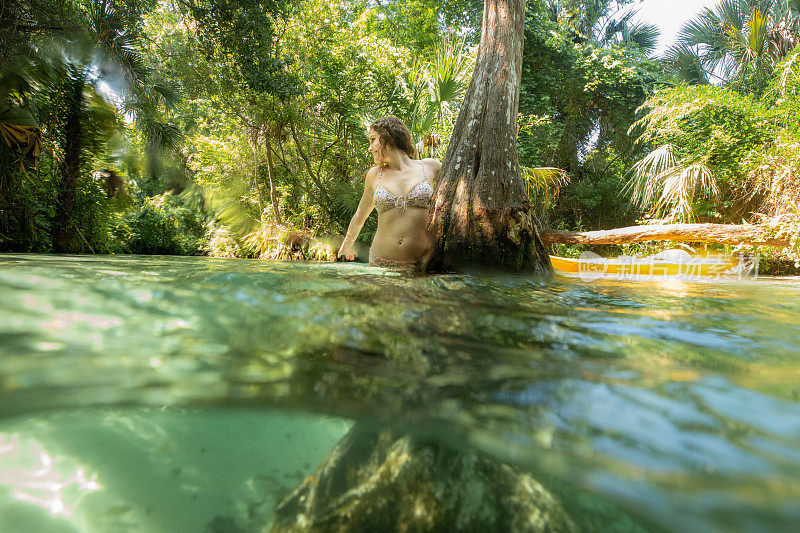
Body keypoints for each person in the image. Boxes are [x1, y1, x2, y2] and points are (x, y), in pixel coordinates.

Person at [337, 116, 441, 270]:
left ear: (389, 136)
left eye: (373, 140)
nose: (370, 147)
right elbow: (360, 216)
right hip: (380, 264)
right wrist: (347, 244)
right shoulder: (374, 175)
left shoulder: (432, 167)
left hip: (422, 264)